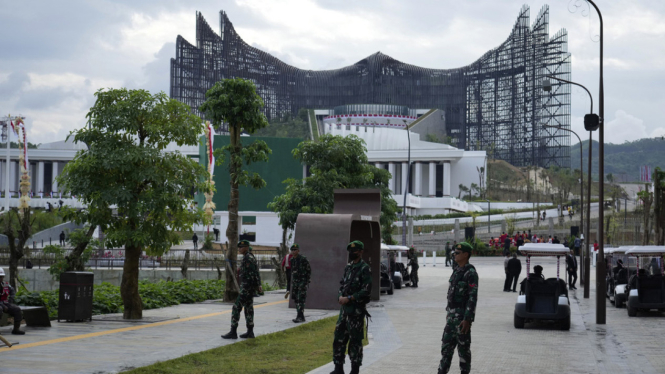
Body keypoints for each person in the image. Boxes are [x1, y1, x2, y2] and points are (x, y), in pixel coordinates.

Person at [331, 240, 372, 374]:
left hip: (356, 312)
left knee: (355, 342)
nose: (351, 253)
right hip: (344, 312)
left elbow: (366, 291)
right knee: (338, 339)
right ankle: (338, 368)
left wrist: (349, 298)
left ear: (360, 252)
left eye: (354, 251)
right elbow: (342, 284)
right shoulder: (348, 267)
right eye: (350, 251)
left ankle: (354, 370)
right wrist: (339, 296)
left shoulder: (364, 268)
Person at [438, 242, 478, 374]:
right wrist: (449, 313)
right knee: (445, 351)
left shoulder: (470, 273)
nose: (454, 255)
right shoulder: (456, 271)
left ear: (465, 255)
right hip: (451, 319)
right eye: (454, 253)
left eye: (457, 253)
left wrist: (468, 319)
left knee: (463, 353)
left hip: (462, 321)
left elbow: (473, 297)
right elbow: (451, 295)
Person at [222, 240, 262, 340]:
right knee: (248, 308)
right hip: (249, 287)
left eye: (241, 247)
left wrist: (254, 286)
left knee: (236, 307)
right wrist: (258, 285)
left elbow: (253, 273)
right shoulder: (249, 257)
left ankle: (233, 331)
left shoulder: (248, 258)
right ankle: (250, 332)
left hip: (247, 288)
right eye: (239, 247)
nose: (239, 249)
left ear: (246, 247)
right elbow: (256, 272)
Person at [289, 243, 311, 323]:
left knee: (300, 298)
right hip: (295, 282)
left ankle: (300, 315)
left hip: (302, 281)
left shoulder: (303, 259)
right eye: (292, 250)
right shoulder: (292, 260)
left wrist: (306, 281)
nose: (293, 251)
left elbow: (308, 270)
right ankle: (300, 316)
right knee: (296, 299)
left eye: (295, 250)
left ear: (298, 250)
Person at [0, 268, 25, 335]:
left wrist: (10, 299)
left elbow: (12, 291)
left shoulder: (5, 284)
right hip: (1, 305)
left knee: (17, 309)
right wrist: (2, 305)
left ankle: (16, 329)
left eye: (2, 277)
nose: (1, 278)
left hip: (5, 303)